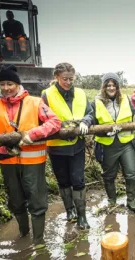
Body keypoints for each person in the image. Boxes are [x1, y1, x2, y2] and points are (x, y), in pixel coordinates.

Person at [0, 64, 61, 245]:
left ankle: (38, 241)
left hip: (33, 162)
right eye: (2, 84)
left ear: (18, 84)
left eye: (9, 83)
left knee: (37, 201)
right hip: (8, 162)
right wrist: (2, 148)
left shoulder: (35, 103)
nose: (6, 88)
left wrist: (32, 134)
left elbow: (55, 122)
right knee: (16, 201)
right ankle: (23, 234)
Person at [41, 63, 93, 230]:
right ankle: (69, 211)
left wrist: (86, 121)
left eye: (71, 79)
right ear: (56, 77)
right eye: (65, 79)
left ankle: (82, 217)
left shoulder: (80, 93)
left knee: (78, 180)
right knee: (63, 181)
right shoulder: (46, 95)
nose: (68, 82)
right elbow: (42, 118)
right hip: (57, 147)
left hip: (77, 145)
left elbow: (90, 112)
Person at [91, 72, 135, 213]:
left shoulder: (125, 98)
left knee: (132, 173)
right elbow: (91, 119)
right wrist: (89, 125)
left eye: (114, 85)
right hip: (107, 145)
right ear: (104, 86)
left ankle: (131, 201)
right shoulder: (97, 101)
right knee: (109, 175)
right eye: (108, 85)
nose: (111, 88)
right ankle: (112, 201)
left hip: (126, 143)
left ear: (118, 87)